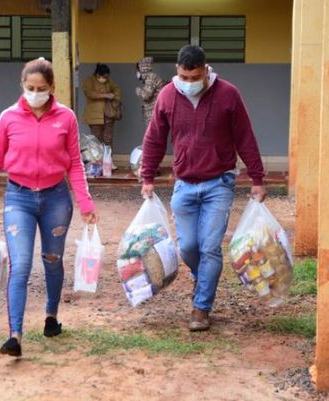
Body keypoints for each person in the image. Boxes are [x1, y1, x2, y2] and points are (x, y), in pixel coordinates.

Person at [0, 57, 99, 357]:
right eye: (29, 87)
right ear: (22, 86)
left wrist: (85, 201)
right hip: (18, 198)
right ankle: (15, 336)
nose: (34, 93)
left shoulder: (66, 117)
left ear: (52, 87)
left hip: (56, 198)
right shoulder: (8, 118)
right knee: (20, 266)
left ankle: (51, 317)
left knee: (52, 260)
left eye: (41, 88)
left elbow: (75, 163)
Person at [140, 45, 266, 332]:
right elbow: (155, 139)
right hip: (184, 184)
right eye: (184, 77)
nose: (189, 83)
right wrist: (147, 176)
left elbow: (245, 137)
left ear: (206, 71)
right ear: (177, 71)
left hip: (219, 183)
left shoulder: (228, 95)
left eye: (194, 77)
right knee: (188, 247)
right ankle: (204, 279)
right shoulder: (168, 96)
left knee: (210, 248)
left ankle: (201, 308)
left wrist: (257, 179)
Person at [82, 63, 121, 152]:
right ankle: (98, 162)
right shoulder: (89, 81)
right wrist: (106, 95)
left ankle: (108, 160)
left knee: (108, 139)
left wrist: (115, 98)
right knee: (96, 140)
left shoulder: (108, 81)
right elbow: (90, 94)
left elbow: (116, 89)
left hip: (108, 115)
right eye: (104, 77)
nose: (105, 79)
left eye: (107, 77)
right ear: (98, 75)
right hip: (94, 116)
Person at [134, 57, 166, 126]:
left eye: (137, 70)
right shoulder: (150, 77)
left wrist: (139, 91)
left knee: (153, 136)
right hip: (154, 113)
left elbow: (147, 95)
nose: (137, 73)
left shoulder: (151, 78)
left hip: (154, 114)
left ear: (142, 69)